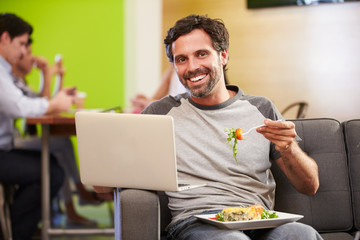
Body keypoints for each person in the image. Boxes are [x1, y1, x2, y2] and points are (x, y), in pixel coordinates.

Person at [97, 14, 322, 239]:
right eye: (181, 59)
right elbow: (104, 186)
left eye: (201, 54)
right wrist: (104, 167)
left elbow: (309, 186)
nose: (192, 67)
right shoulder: (160, 113)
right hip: (196, 223)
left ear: (223, 56)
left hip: (259, 220)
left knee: (302, 235)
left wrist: (289, 147)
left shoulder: (261, 108)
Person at [11, 39, 104, 227]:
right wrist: (47, 74)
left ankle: (74, 204)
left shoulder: (18, 82)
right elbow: (45, 106)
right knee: (59, 145)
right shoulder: (10, 81)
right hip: (12, 142)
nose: (32, 57)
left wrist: (58, 78)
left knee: (60, 145)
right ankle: (78, 194)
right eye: (28, 52)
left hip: (17, 138)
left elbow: (44, 103)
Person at [0, 13, 72, 239]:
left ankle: (17, 226)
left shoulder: (5, 72)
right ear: (4, 38)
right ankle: (17, 230)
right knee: (50, 172)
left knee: (50, 165)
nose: (24, 52)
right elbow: (21, 107)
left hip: (6, 147)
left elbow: (30, 102)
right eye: (21, 44)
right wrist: (55, 102)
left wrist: (52, 97)